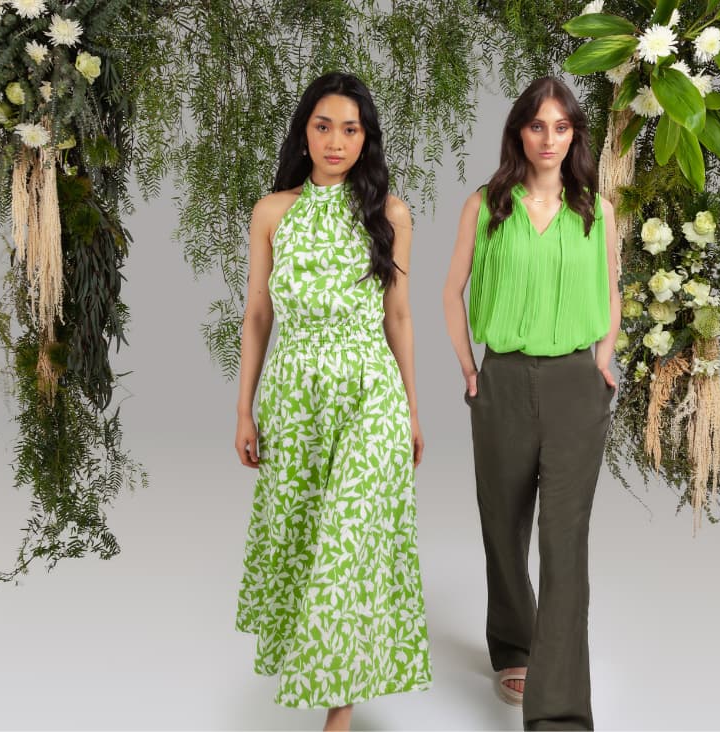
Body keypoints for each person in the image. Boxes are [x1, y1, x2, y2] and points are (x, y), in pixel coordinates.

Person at [233, 72, 431, 731]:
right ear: (304, 132)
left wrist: (411, 408)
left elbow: (398, 317)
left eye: (351, 128)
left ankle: (337, 714)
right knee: (308, 538)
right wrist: (244, 409)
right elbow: (258, 313)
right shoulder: (273, 211)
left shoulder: (390, 214)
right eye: (323, 126)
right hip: (295, 396)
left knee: (347, 537)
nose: (336, 140)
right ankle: (326, 671)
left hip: (369, 392)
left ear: (366, 137)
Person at [441, 75, 621, 730]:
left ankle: (561, 715)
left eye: (561, 127)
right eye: (537, 125)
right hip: (504, 379)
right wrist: (469, 367)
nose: (549, 139)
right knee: (505, 520)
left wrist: (602, 361)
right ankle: (514, 642)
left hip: (577, 384)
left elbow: (612, 292)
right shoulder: (486, 205)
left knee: (565, 543)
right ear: (520, 131)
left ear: (575, 135)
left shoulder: (595, 211)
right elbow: (451, 290)